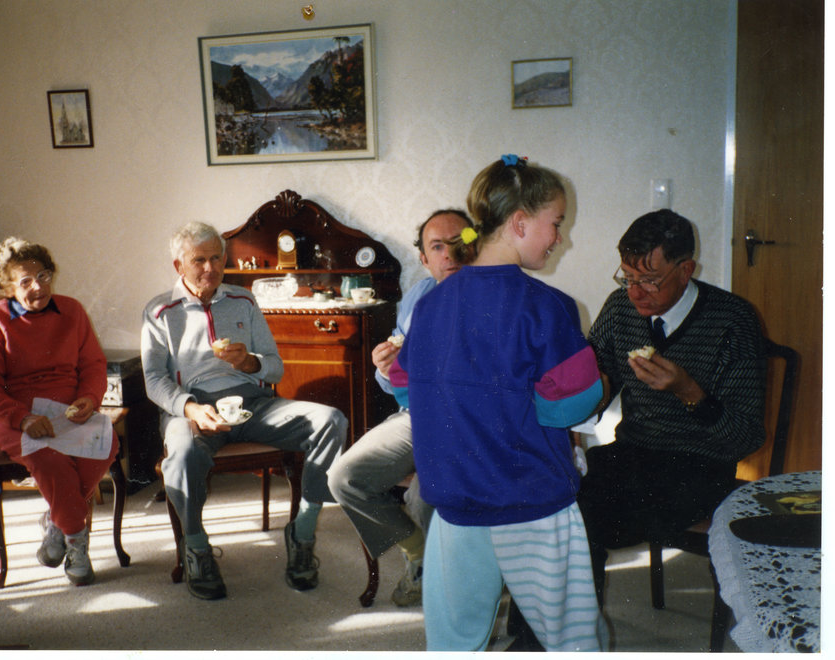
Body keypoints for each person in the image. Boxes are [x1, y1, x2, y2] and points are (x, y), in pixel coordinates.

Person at [391, 156, 607, 651]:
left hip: (455, 507)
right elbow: (567, 408)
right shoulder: (549, 306)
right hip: (532, 504)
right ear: (520, 223)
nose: (559, 238)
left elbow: (406, 388)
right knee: (572, 636)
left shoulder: (430, 303)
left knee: (454, 640)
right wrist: (600, 380)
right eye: (556, 224)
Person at [141, 221, 347, 600]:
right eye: (199, 260)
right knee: (182, 454)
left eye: (216, 258)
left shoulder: (244, 300)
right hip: (191, 408)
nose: (210, 268)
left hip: (252, 404)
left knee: (331, 420)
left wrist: (250, 363)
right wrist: (190, 408)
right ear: (178, 266)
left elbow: (275, 366)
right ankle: (197, 547)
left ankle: (303, 533)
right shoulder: (159, 311)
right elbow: (154, 381)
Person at [575, 209, 767, 604]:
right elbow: (596, 382)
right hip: (633, 453)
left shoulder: (733, 320)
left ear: (685, 270)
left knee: (582, 517)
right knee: (557, 501)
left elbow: (746, 437)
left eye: (648, 280)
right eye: (627, 278)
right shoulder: (620, 309)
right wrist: (579, 406)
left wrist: (689, 392)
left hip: (700, 466)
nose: (635, 292)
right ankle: (547, 640)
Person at [327, 208, 472, 607]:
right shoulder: (417, 297)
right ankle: (420, 556)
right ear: (424, 259)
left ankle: (459, 586)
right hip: (418, 415)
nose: (451, 255)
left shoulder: (492, 295)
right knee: (344, 477)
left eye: (460, 244)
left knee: (426, 496)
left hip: (469, 422)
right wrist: (386, 368)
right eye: (438, 247)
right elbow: (395, 386)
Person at [0, 237, 117, 587]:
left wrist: (88, 400)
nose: (39, 287)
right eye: (25, 281)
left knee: (107, 445)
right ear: (5, 287)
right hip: (13, 417)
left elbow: (94, 365)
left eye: (44, 275)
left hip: (68, 411)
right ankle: (77, 542)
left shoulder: (73, 311)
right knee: (51, 460)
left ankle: (56, 521)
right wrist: (23, 418)